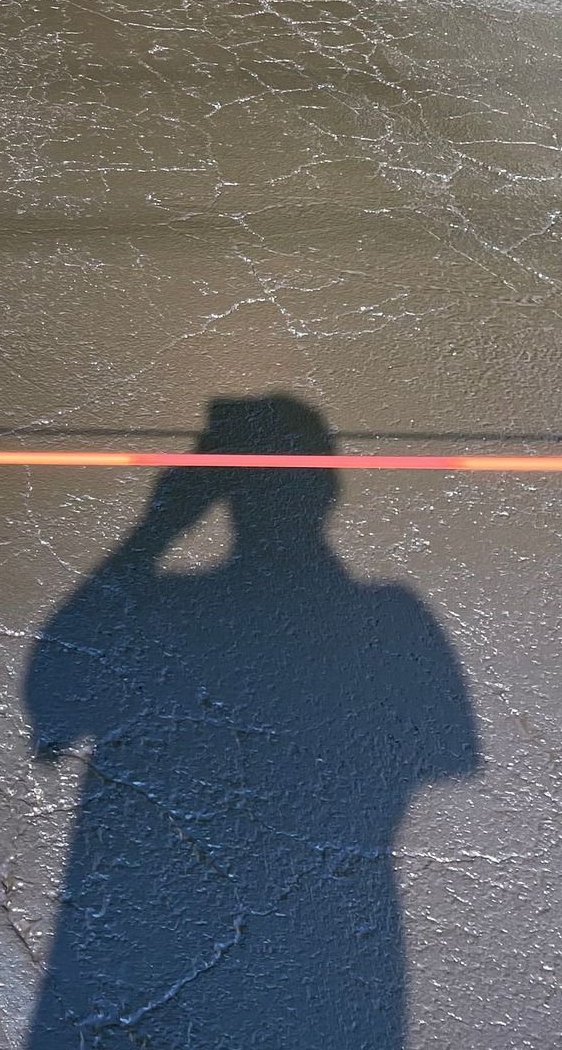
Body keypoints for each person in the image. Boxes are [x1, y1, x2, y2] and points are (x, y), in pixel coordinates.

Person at [23, 395, 478, 1048]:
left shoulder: (170, 615)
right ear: (328, 489)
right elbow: (54, 701)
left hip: (195, 953)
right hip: (298, 953)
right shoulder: (380, 622)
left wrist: (161, 523)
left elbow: (54, 702)